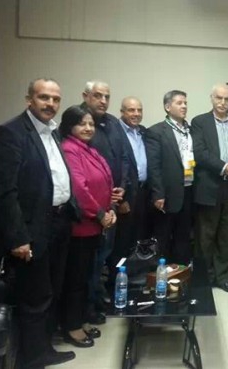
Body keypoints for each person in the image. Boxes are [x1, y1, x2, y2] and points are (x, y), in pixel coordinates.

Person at [0, 78, 76, 368]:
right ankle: (32, 357)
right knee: (35, 296)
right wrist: (17, 237)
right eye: (44, 97)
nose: (50, 104)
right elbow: (5, 192)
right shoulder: (10, 133)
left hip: (59, 222)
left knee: (52, 290)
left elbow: (56, 177)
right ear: (29, 99)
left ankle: (44, 347)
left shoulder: (53, 132)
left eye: (55, 99)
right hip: (32, 228)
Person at [59, 105, 117, 348]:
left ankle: (81, 319)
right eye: (82, 123)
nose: (88, 128)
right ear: (69, 126)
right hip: (81, 226)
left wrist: (111, 205)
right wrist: (101, 214)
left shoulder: (88, 148)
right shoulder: (69, 149)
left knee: (86, 277)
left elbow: (104, 181)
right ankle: (71, 327)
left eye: (91, 124)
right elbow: (79, 189)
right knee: (76, 279)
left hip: (95, 225)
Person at [191, 84, 228, 293]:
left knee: (227, 236)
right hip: (209, 186)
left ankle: (223, 278)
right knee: (205, 237)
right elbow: (200, 153)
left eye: (227, 99)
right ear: (212, 98)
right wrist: (225, 167)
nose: (223, 102)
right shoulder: (199, 122)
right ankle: (203, 278)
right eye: (219, 98)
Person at [81, 80, 130, 323]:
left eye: (107, 96)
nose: (103, 100)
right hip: (90, 208)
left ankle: (98, 298)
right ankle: (87, 307)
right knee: (90, 260)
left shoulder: (113, 123)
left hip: (112, 203)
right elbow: (77, 170)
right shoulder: (79, 121)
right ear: (86, 96)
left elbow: (124, 158)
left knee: (105, 255)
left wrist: (121, 189)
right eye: (98, 95)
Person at [145, 90, 194, 264]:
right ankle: (161, 273)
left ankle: (181, 272)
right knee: (163, 236)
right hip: (167, 193)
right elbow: (154, 166)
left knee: (184, 236)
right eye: (179, 103)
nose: (184, 106)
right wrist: (158, 194)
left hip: (188, 189)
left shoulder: (190, 130)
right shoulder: (156, 131)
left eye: (185, 103)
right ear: (167, 107)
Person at [112, 97, 148, 269]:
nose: (136, 114)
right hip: (125, 195)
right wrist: (121, 199)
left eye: (139, 110)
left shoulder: (143, 132)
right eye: (131, 110)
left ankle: (134, 275)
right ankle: (117, 277)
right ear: (122, 111)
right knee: (122, 240)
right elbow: (113, 167)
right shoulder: (115, 132)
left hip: (143, 192)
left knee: (138, 237)